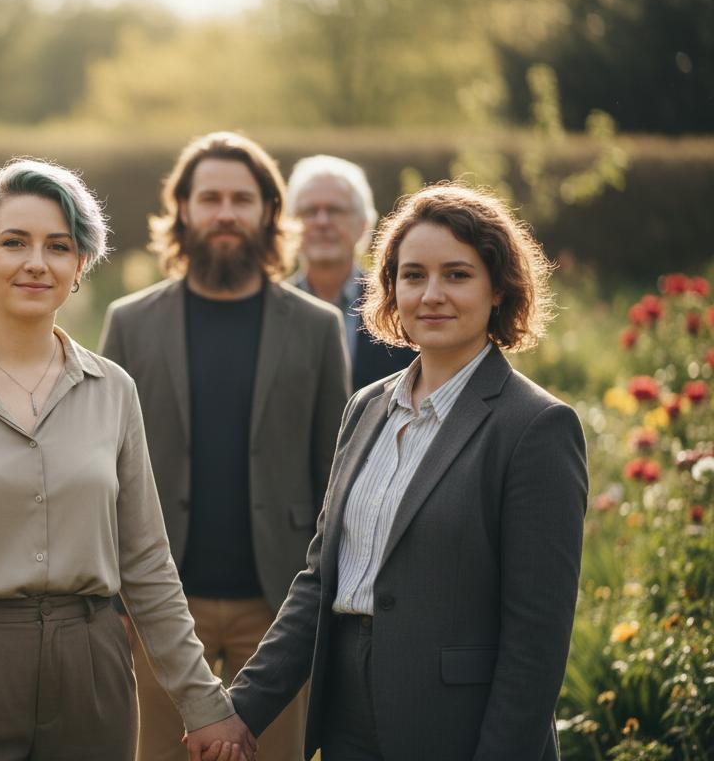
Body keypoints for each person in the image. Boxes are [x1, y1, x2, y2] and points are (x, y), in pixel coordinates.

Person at [0, 158, 255, 761]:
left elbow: (147, 562)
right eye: (13, 242)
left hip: (92, 668)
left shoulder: (113, 390)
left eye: (59, 246)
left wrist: (203, 702)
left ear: (79, 268)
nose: (36, 262)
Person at [223, 183, 588, 761]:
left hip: (457, 729)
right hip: (346, 718)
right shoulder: (366, 406)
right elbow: (321, 581)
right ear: (390, 289)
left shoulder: (536, 427)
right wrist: (239, 712)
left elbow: (536, 641)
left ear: (498, 289)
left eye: (458, 275)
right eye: (413, 275)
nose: (432, 295)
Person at [99, 131, 349, 761]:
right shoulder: (130, 322)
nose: (226, 212)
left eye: (243, 198)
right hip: (158, 604)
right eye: (209, 197)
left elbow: (334, 474)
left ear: (269, 211)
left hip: (279, 606)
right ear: (182, 209)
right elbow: (101, 468)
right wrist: (111, 593)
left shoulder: (318, 327)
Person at [286, 155, 416, 390]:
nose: (322, 222)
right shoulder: (272, 308)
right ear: (290, 224)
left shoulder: (398, 305)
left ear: (364, 223)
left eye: (335, 210)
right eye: (310, 211)